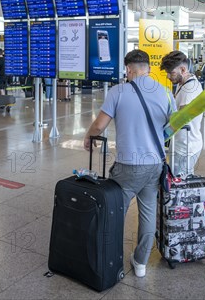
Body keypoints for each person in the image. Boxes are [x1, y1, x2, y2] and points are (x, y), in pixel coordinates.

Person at [83, 49, 175, 278]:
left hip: (128, 165)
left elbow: (99, 126)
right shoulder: (165, 92)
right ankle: (141, 262)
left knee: (114, 211)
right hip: (155, 163)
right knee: (147, 212)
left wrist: (88, 136)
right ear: (149, 68)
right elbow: (171, 128)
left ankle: (108, 257)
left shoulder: (118, 91)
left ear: (129, 69)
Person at [160, 50, 203, 175]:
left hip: (186, 147)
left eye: (171, 73)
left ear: (183, 70)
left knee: (179, 184)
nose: (168, 76)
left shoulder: (189, 90)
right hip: (182, 143)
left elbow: (178, 119)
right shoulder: (184, 82)